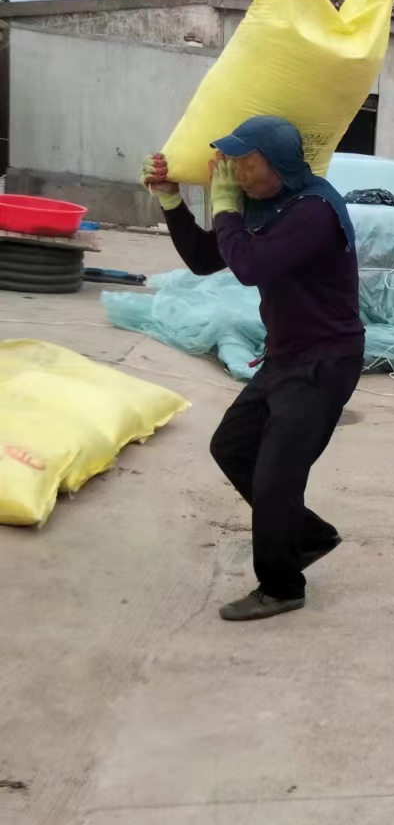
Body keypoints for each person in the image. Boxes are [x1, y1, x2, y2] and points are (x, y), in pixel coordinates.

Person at [142, 116, 364, 621]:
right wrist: (172, 200)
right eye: (231, 161)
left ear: (277, 164)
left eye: (245, 162)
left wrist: (225, 207)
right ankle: (308, 535)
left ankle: (282, 586)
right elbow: (206, 259)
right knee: (232, 446)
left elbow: (249, 267)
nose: (233, 172)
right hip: (286, 355)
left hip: (325, 361)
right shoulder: (268, 205)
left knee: (275, 477)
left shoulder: (314, 211)